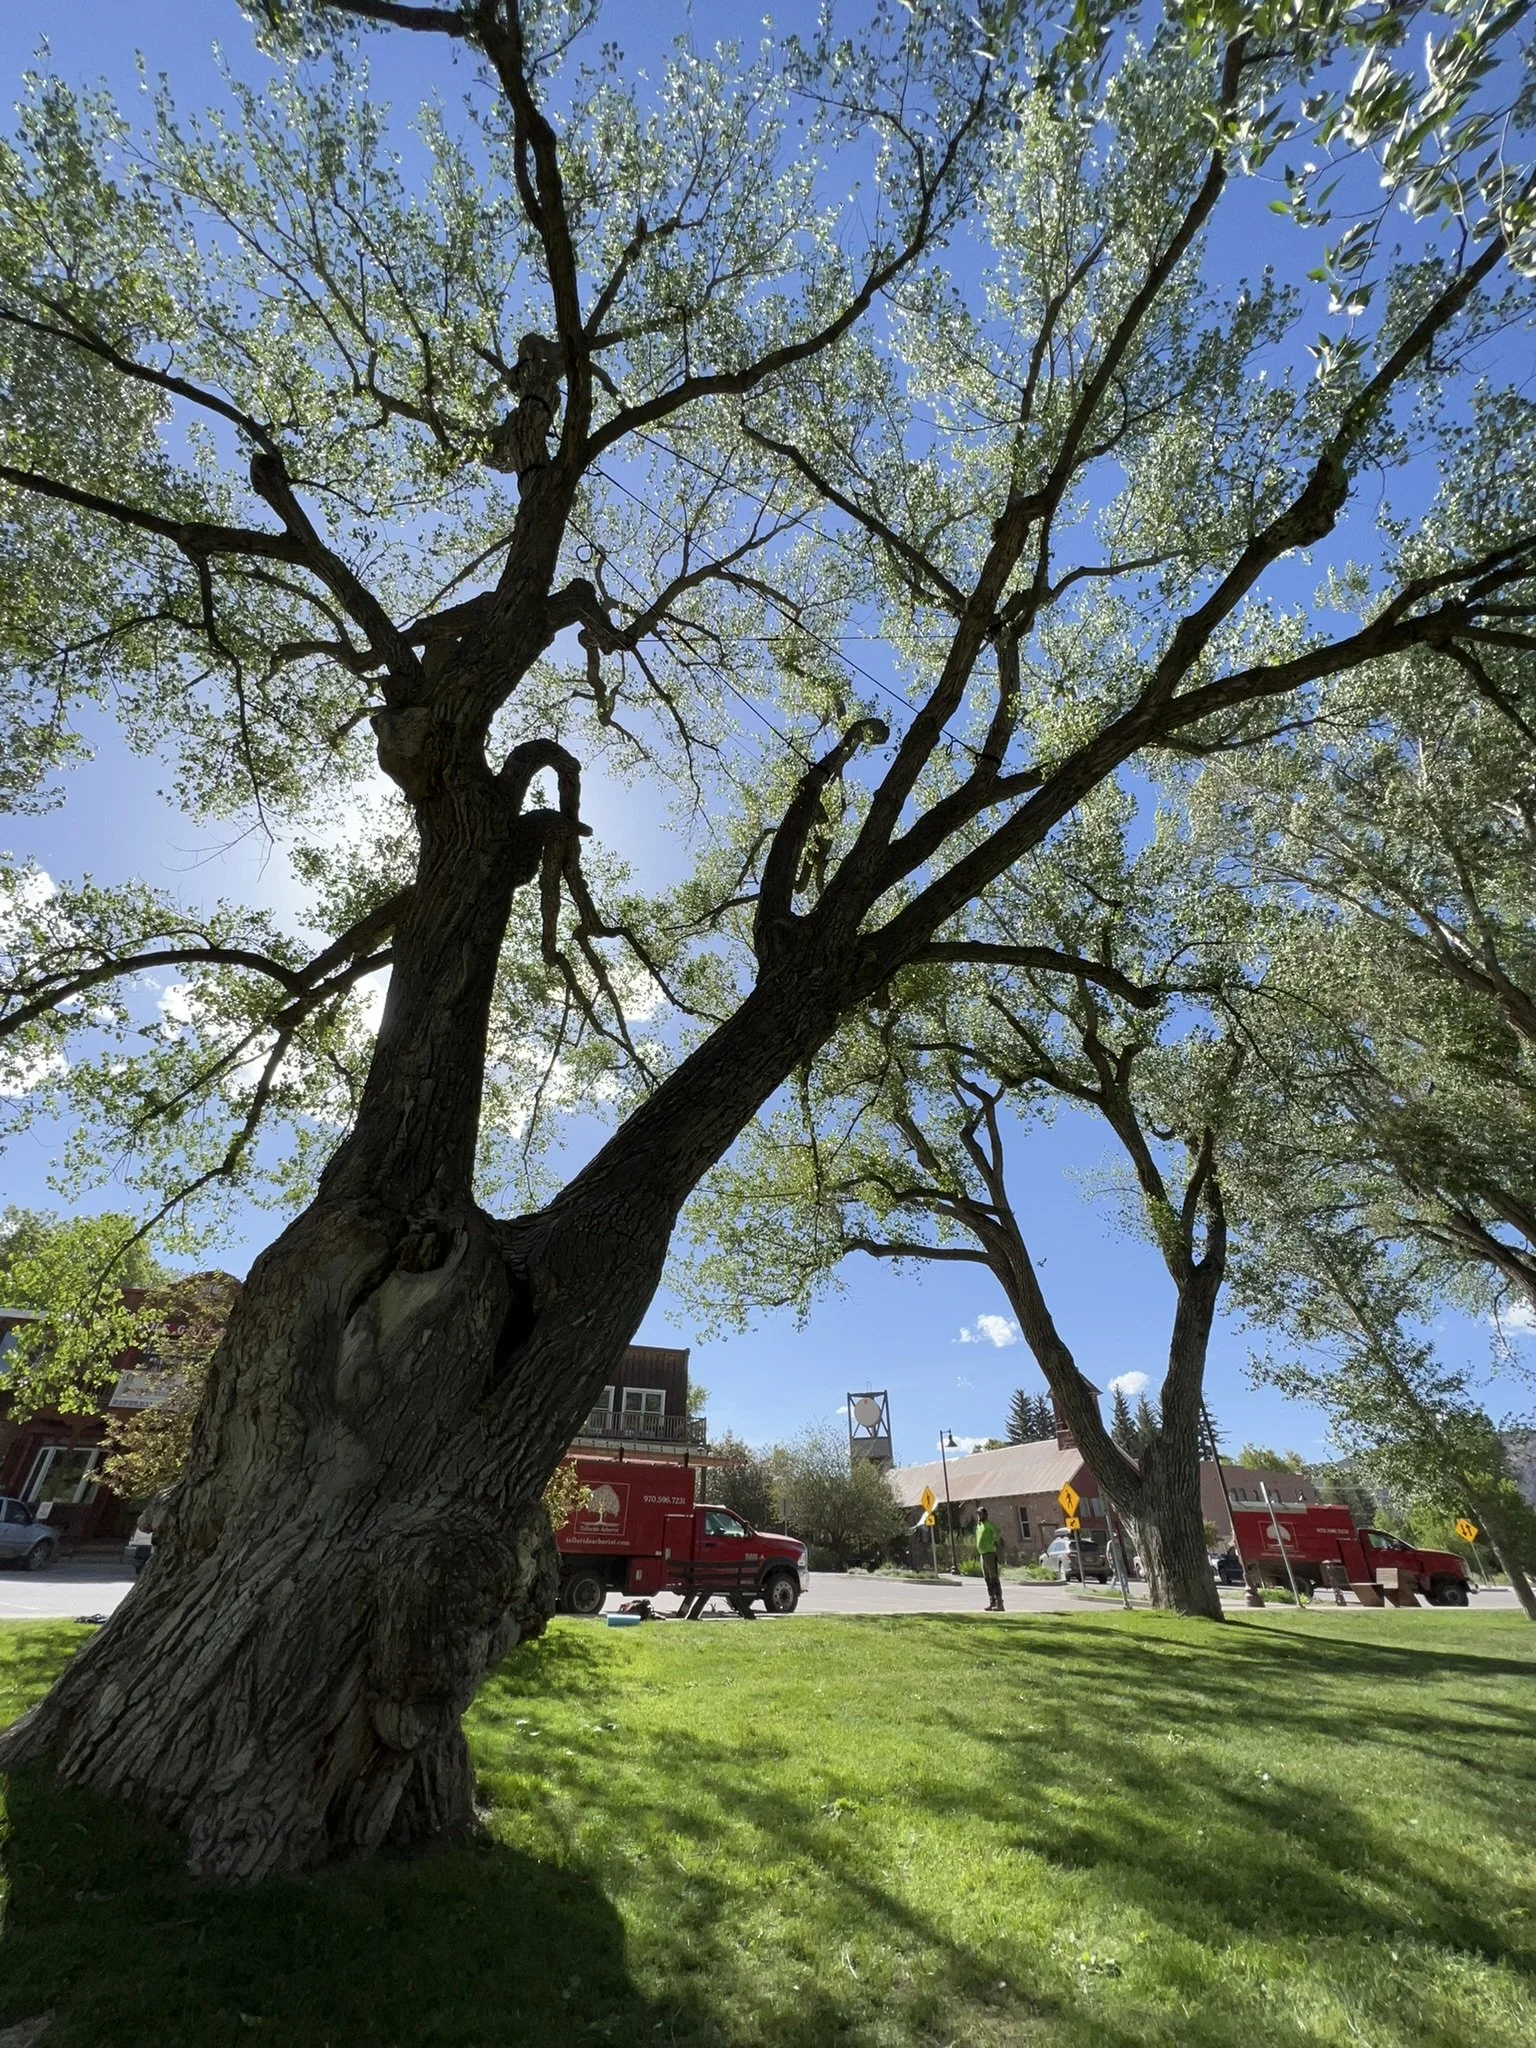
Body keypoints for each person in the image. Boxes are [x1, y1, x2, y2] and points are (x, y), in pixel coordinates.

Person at [974, 1506, 1004, 1612]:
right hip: (982, 1554)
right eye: (978, 1514)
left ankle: (999, 1603)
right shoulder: (979, 1526)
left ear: (985, 1515)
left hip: (990, 1553)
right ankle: (992, 1602)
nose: (979, 1516)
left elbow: (998, 1531)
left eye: (980, 1514)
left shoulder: (989, 1524)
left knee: (993, 1578)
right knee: (987, 1579)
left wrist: (993, 1541)